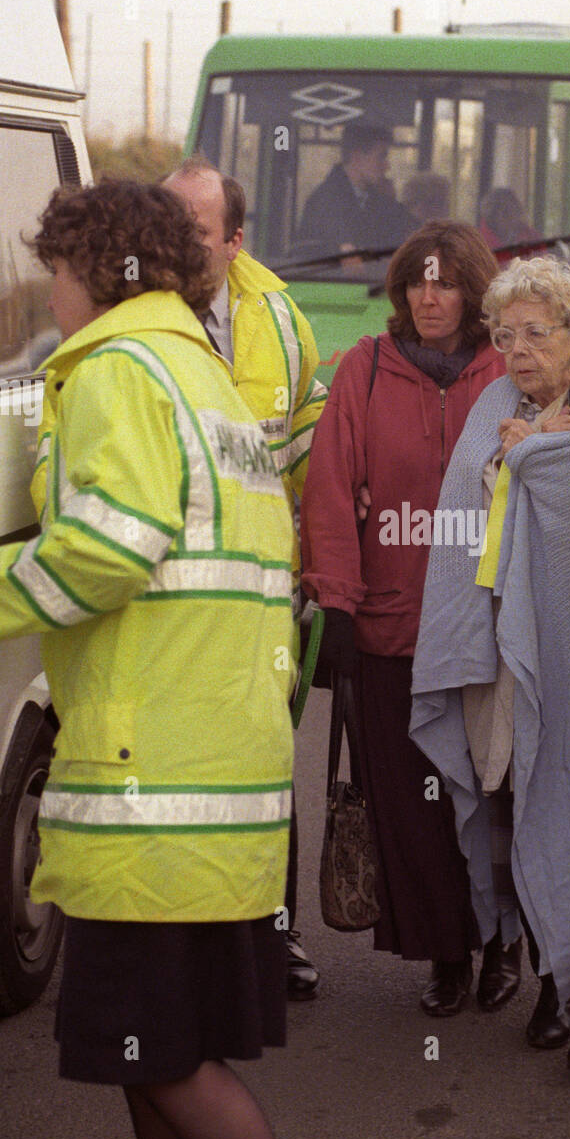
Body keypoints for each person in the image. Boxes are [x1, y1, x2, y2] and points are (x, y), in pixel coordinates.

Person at [13, 179, 294, 1139]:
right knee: (156, 1055)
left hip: (154, 793)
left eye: (53, 272)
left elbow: (107, 548)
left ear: (97, 271)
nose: (48, 297)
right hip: (213, 775)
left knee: (166, 1063)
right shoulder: (198, 372)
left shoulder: (117, 369)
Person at [411, 256, 570, 1065]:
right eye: (503, 335)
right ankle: (559, 977)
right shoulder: (495, 403)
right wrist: (519, 453)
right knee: (521, 803)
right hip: (500, 641)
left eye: (535, 332)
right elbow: (461, 517)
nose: (517, 350)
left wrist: (532, 460)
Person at [300, 221, 515, 1017]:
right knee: (415, 808)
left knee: (490, 800)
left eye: (446, 281)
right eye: (418, 282)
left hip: (488, 633)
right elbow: (329, 491)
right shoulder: (363, 370)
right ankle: (447, 955)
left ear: (472, 290)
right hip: (391, 632)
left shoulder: (506, 372)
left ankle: (503, 945)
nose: (430, 296)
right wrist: (337, 603)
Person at [163, 155, 327, 1001]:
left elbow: (308, 440)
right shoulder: (138, 315)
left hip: (263, 593)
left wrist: (313, 559)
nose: (176, 246)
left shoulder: (282, 320)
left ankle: (274, 936)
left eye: (194, 231)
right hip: (170, 598)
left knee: (266, 760)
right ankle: (187, 943)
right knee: (177, 763)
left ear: (234, 240)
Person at [297, 121, 414, 268]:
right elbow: (310, 254)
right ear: (357, 157)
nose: (387, 166)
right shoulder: (323, 202)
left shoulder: (382, 203)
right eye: (381, 156)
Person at [479, 187, 542, 264]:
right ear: (490, 215)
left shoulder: (531, 237)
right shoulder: (479, 242)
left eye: (509, 210)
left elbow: (541, 264)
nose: (502, 216)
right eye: (497, 210)